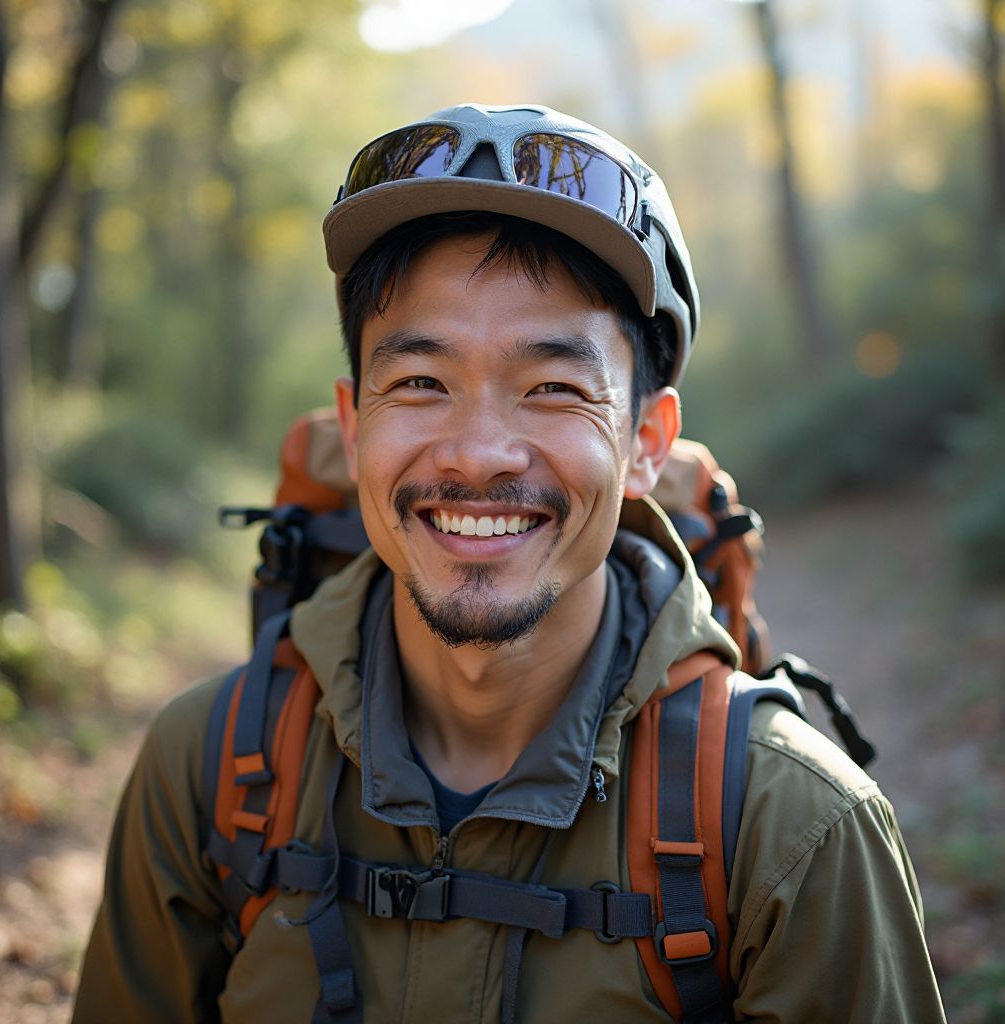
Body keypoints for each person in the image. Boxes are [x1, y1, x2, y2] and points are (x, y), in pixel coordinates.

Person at [72, 103, 946, 1023]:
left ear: (647, 441)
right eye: (420, 382)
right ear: (354, 420)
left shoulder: (793, 825)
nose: (478, 453)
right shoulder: (209, 766)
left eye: (553, 388)